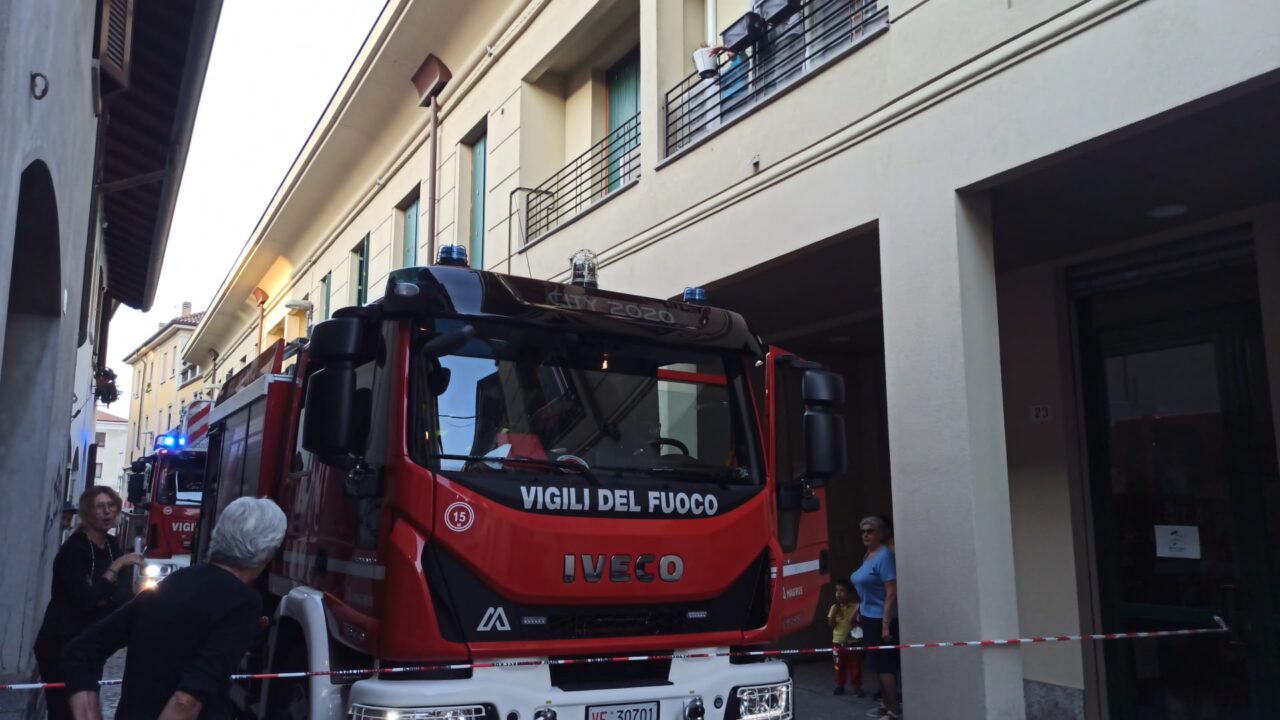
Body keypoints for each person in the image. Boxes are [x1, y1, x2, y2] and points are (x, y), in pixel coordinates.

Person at [61, 497, 288, 720]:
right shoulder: (243, 601)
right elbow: (186, 701)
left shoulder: (174, 581)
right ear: (267, 553)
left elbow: (82, 651)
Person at [34, 486, 142, 720]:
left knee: (86, 708)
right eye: (99, 506)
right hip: (60, 644)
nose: (107, 512)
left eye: (111, 506)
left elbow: (120, 596)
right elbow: (86, 600)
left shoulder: (112, 545)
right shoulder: (75, 549)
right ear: (87, 512)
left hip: (89, 647)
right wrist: (117, 567)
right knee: (64, 712)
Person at [851, 515, 900, 719]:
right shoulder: (869, 554)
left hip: (881, 619)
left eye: (870, 531)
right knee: (875, 665)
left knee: (885, 665)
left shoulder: (885, 556)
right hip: (868, 617)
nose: (866, 535)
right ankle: (884, 703)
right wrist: (857, 611)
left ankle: (894, 711)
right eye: (863, 531)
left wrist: (886, 625)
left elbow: (891, 592)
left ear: (880, 534)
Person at [827, 579, 863, 697]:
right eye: (837, 590)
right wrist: (833, 614)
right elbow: (831, 625)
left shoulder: (855, 607)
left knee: (855, 666)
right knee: (839, 665)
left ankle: (857, 686)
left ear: (849, 593)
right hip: (838, 642)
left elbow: (858, 622)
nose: (838, 593)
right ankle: (839, 685)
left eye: (842, 591)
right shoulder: (834, 607)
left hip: (852, 641)